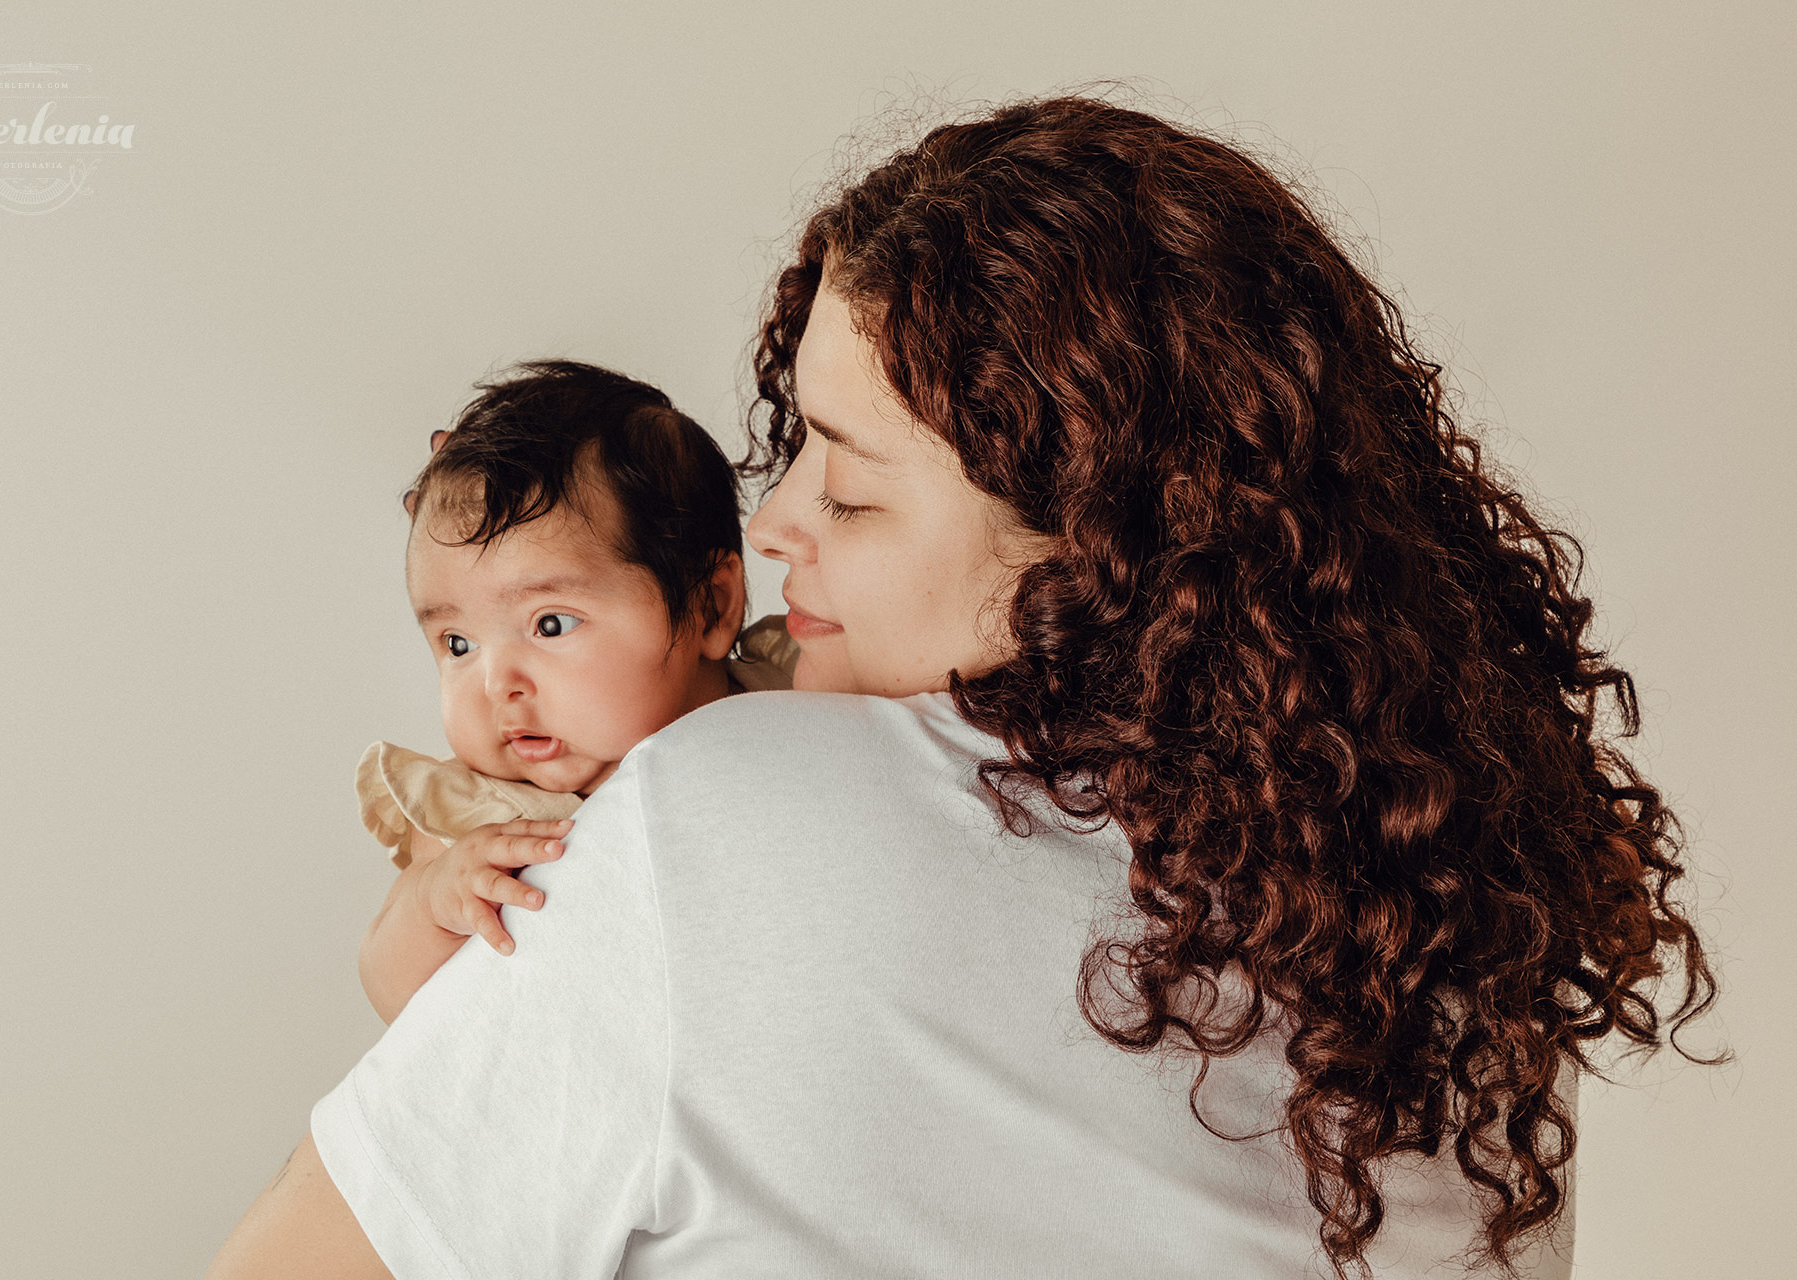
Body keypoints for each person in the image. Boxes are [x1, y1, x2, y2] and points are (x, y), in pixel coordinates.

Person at [207, 96, 1721, 1279]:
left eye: (850, 492)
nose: (778, 520)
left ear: (1098, 552)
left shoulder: (724, 829)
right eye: (789, 444)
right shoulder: (1434, 975)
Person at [356, 359, 797, 1021]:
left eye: (550, 625)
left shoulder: (788, 690)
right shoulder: (486, 819)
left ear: (710, 606)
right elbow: (392, 993)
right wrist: (437, 905)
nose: (497, 683)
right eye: (457, 645)